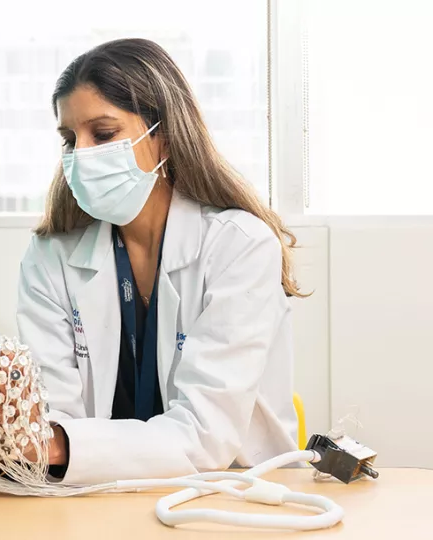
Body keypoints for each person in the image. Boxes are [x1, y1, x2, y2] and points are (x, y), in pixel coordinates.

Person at [16, 39, 301, 484]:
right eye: (70, 139)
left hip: (236, 492)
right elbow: (51, 419)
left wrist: (58, 445)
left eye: (103, 134)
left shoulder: (239, 246)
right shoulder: (52, 256)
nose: (81, 155)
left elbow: (207, 435)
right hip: (95, 493)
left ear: (163, 136)